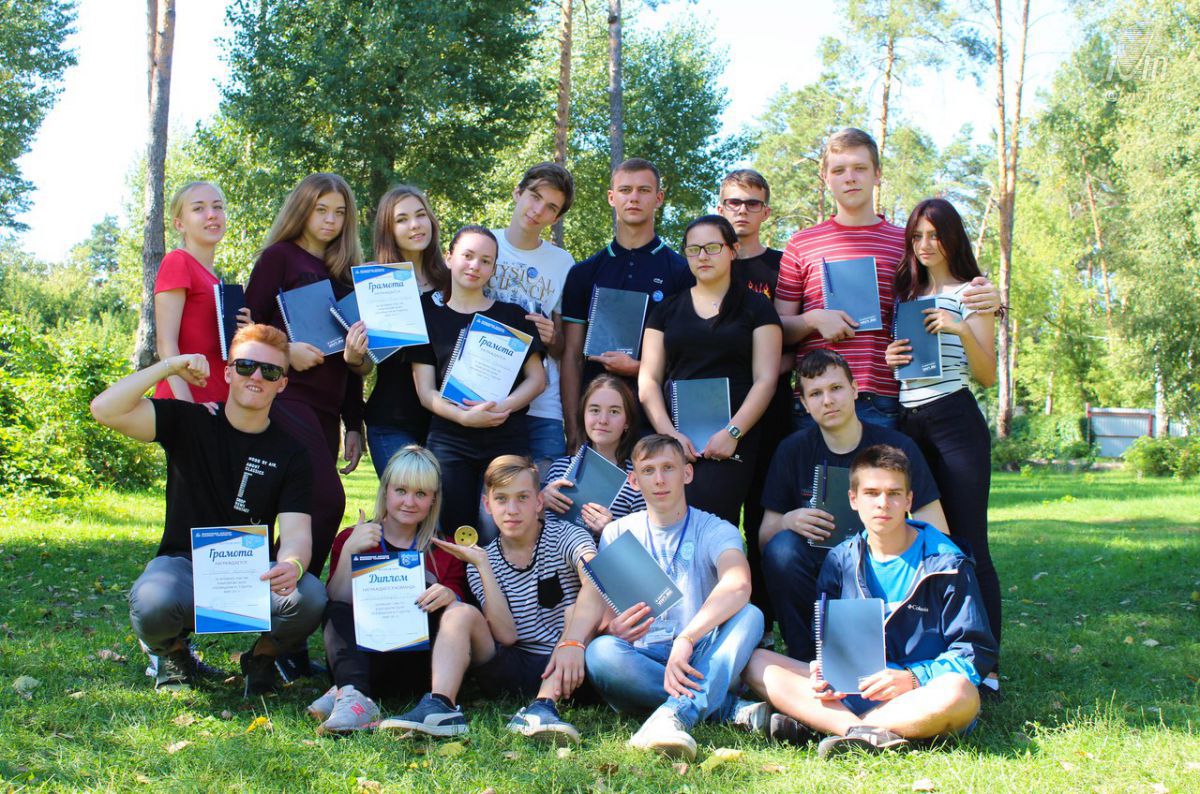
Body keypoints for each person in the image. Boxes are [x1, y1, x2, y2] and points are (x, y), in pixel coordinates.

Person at [90, 324, 325, 693]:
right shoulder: (189, 420)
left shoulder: (292, 452)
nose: (256, 377)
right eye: (245, 366)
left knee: (309, 596)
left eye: (270, 371)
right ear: (228, 372)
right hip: (184, 568)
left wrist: (292, 565)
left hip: (249, 575)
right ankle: (174, 654)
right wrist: (169, 366)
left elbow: (296, 535)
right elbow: (104, 409)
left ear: (282, 383)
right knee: (152, 601)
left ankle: (262, 658)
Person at [744, 445, 997, 757]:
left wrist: (913, 679)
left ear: (909, 500)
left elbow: (974, 653)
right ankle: (868, 732)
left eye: (894, 493)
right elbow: (830, 643)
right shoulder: (841, 560)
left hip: (921, 694)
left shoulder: (947, 563)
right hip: (857, 689)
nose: (883, 503)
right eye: (872, 493)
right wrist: (826, 671)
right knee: (757, 662)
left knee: (960, 693)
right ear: (853, 499)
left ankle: (838, 727)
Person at [773, 128, 998, 432]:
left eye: (860, 168)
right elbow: (778, 330)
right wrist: (813, 320)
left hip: (884, 400)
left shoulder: (907, 244)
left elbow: (947, 288)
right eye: (839, 170)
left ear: (877, 174)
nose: (850, 178)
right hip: (816, 401)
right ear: (825, 178)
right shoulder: (801, 244)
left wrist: (990, 299)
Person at [379, 456, 604, 745]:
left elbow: (597, 578)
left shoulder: (566, 536)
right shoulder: (482, 560)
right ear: (487, 505)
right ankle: (440, 705)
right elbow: (507, 635)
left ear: (539, 502)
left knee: (574, 610)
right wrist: (484, 566)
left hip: (568, 664)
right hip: (512, 666)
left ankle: (543, 707)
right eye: (501, 499)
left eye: (522, 498)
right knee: (458, 611)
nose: (512, 510)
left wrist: (572, 643)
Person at [759, 349, 947, 662]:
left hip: (882, 565)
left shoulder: (896, 447)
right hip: (816, 569)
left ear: (855, 389)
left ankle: (887, 652)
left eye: (836, 388)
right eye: (815, 394)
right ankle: (806, 659)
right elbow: (765, 536)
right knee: (782, 551)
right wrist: (788, 521)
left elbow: (938, 530)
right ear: (804, 403)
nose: (828, 401)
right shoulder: (792, 451)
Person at [585, 435, 764, 761]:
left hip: (700, 655)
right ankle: (724, 708)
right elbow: (606, 614)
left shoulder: (715, 529)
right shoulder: (617, 532)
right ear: (634, 481)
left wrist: (687, 638)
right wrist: (614, 629)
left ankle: (675, 714)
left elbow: (738, 584)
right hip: (644, 659)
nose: (659, 479)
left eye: (668, 467)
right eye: (648, 470)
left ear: (687, 473)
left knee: (751, 615)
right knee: (600, 653)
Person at [885, 198, 1002, 684]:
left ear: (953, 238)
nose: (925, 245)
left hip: (955, 418)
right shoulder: (906, 294)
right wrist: (894, 358)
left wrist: (959, 327)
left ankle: (986, 667)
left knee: (968, 542)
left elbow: (987, 374)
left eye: (935, 235)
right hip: (907, 421)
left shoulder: (974, 292)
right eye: (917, 236)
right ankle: (938, 653)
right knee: (921, 542)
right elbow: (908, 364)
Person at [306, 445, 468, 734]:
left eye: (421, 493)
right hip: (363, 651)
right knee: (336, 610)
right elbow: (336, 604)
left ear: (434, 499)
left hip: (414, 664)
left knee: (437, 605)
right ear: (385, 491)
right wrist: (351, 551)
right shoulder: (352, 537)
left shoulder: (445, 550)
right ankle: (353, 694)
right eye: (401, 490)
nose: (409, 502)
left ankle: (346, 690)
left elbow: (460, 615)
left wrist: (448, 595)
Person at [638, 214, 782, 524]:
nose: (703, 256)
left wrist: (733, 433)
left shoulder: (758, 308)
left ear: (733, 251)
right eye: (694, 249)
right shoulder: (665, 311)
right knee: (670, 524)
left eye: (713, 247)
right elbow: (648, 380)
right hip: (675, 440)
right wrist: (670, 435)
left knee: (711, 520)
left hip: (733, 439)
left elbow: (766, 379)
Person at [408, 226, 546, 545]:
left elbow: (538, 380)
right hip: (450, 439)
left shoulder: (512, 316)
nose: (475, 266)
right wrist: (464, 417)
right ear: (449, 257)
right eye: (467, 256)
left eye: (486, 261)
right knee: (455, 530)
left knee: (504, 530)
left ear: (493, 269)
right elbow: (425, 392)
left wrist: (503, 408)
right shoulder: (428, 318)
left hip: (506, 435)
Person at [561, 158, 693, 450]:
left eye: (644, 190)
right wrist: (572, 428)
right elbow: (571, 356)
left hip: (658, 426)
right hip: (597, 428)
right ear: (612, 197)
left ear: (659, 198)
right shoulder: (583, 273)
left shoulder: (682, 272)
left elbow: (688, 358)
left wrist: (638, 368)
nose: (634, 198)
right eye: (625, 190)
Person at [715, 168, 791, 644]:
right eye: (733, 202)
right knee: (718, 519)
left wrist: (768, 369)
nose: (742, 211)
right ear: (720, 206)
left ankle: (762, 623)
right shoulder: (705, 261)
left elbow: (792, 337)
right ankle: (719, 618)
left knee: (766, 517)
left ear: (766, 211)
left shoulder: (784, 266)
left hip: (774, 411)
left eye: (752, 203)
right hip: (713, 412)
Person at [485, 162, 577, 475]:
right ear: (518, 192)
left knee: (547, 495)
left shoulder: (563, 263)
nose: (538, 210)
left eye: (551, 207)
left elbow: (563, 347)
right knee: (489, 496)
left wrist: (552, 337)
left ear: (556, 218)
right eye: (535, 197)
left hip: (543, 407)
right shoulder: (483, 244)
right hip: (485, 396)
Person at [362, 186, 450, 475]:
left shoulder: (453, 282)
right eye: (402, 219)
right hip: (391, 421)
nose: (415, 225)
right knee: (406, 499)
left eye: (420, 215)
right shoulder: (373, 280)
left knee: (443, 503)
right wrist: (353, 355)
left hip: (447, 425)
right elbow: (362, 365)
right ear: (388, 230)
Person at [153, 181, 250, 407]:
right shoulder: (177, 261)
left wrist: (247, 332)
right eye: (198, 208)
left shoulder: (216, 280)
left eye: (217, 207)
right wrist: (189, 409)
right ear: (179, 224)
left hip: (219, 402)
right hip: (187, 405)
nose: (211, 214)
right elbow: (166, 344)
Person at [541, 374, 646, 538]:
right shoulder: (560, 468)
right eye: (595, 410)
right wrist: (540, 503)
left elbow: (644, 542)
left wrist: (610, 530)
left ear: (627, 422)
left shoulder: (638, 478)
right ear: (583, 415)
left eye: (614, 411)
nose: (603, 420)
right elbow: (540, 533)